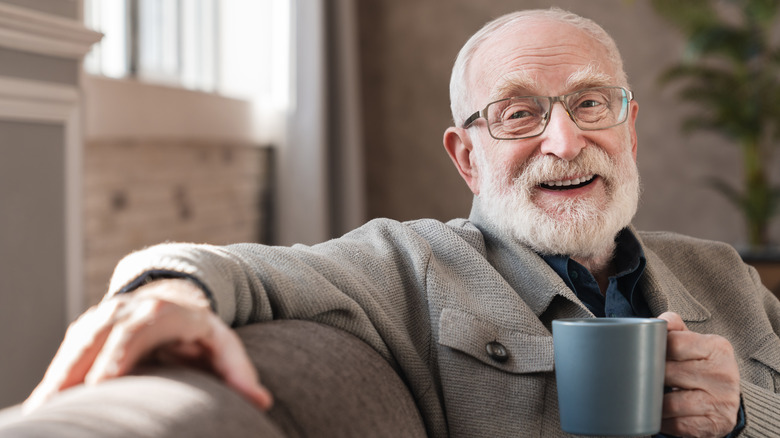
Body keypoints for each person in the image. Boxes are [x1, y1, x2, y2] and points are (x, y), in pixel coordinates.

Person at [19, 7, 780, 437]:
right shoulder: (409, 263)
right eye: (519, 114)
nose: (564, 140)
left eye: (590, 103)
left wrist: (747, 415)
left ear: (630, 128)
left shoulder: (726, 276)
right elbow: (239, 267)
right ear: (467, 157)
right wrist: (170, 293)